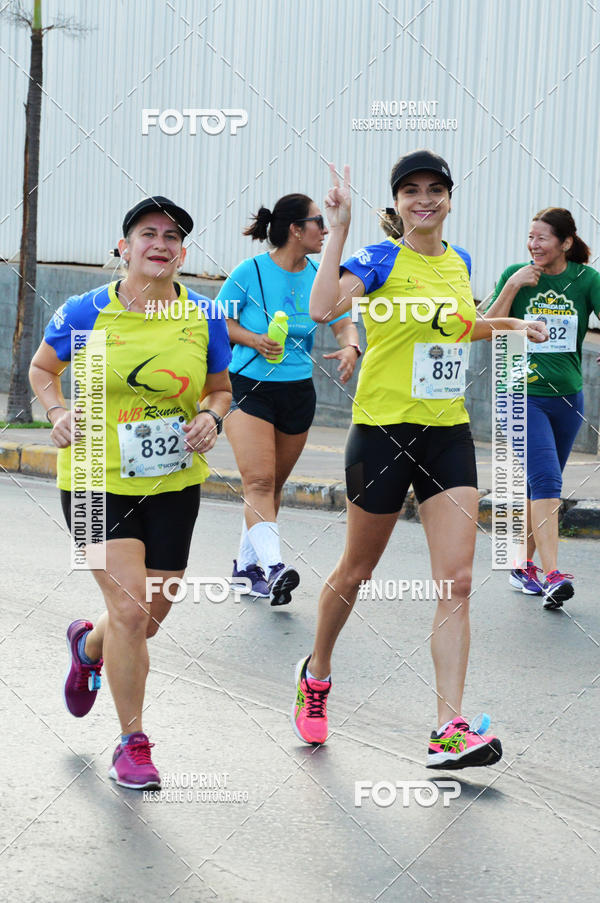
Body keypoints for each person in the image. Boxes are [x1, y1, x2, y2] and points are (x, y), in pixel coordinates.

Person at [291, 152, 548, 768]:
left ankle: (448, 727)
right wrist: (342, 231)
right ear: (399, 203)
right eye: (411, 191)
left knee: (457, 580)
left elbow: (456, 328)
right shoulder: (381, 259)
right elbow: (323, 310)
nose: (424, 199)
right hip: (382, 433)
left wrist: (510, 321)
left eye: (435, 190)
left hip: (447, 433)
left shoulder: (458, 262)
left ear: (450, 199)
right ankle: (317, 671)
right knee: (356, 571)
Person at [29, 197, 232, 789]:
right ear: (124, 247)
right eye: (148, 234)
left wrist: (212, 419)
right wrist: (57, 410)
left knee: (147, 619)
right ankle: (133, 742)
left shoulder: (203, 315)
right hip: (93, 476)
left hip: (173, 481)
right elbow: (43, 369)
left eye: (173, 237)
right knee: (129, 608)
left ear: (183, 253)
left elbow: (219, 388)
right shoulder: (84, 309)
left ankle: (88, 646)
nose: (160, 245)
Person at [217, 194, 361, 606]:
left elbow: (343, 325)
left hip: (298, 391)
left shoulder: (321, 275)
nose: (325, 230)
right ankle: (276, 567)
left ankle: (246, 570)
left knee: (273, 486)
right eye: (318, 222)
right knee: (259, 482)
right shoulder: (251, 272)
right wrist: (252, 338)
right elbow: (218, 322)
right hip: (248, 387)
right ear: (295, 230)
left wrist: (352, 349)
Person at [486, 208, 600, 608]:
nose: (533, 245)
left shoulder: (587, 280)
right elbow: (487, 327)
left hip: (568, 396)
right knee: (549, 480)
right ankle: (552, 576)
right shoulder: (516, 274)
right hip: (519, 392)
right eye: (530, 237)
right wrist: (513, 286)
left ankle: (521, 565)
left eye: (542, 238)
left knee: (540, 487)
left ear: (565, 243)